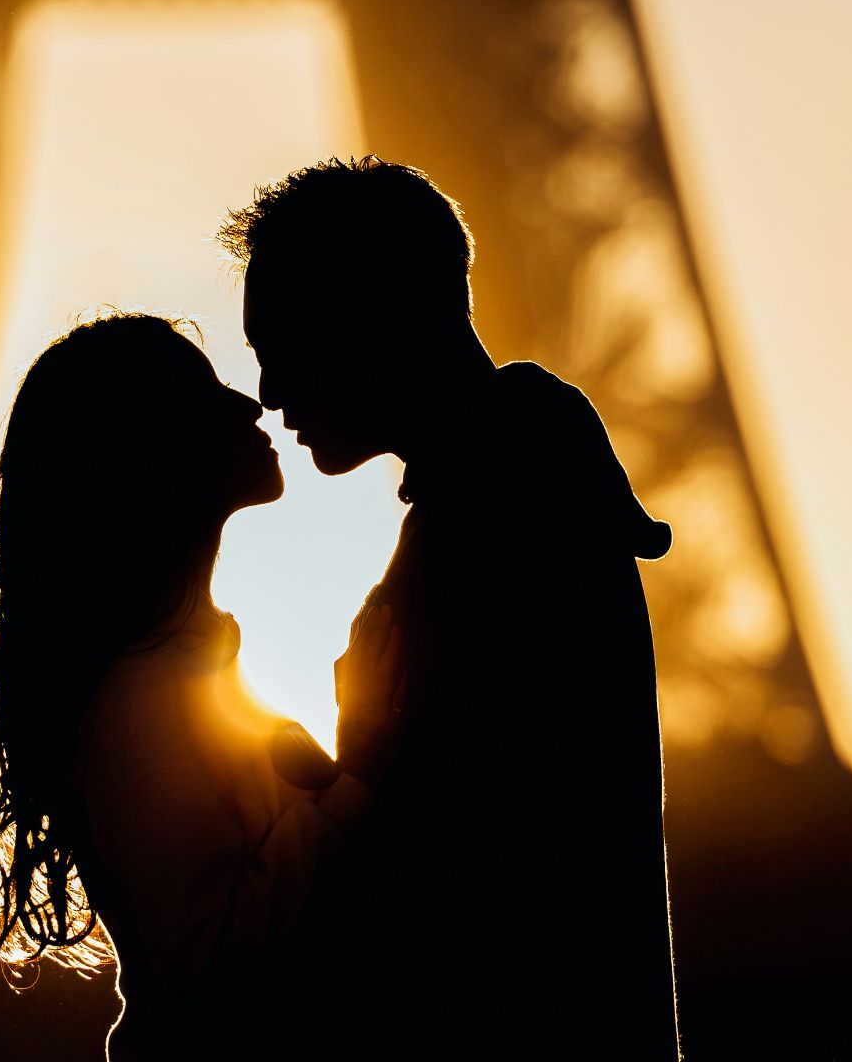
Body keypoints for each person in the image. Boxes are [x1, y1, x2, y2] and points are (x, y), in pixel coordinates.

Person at [219, 157, 681, 1058]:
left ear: (365, 316)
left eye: (281, 342)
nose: (271, 394)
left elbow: (465, 851)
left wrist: (320, 779)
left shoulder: (497, 506)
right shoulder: (517, 480)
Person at [0, 313, 405, 1060]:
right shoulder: (146, 701)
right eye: (208, 393)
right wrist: (359, 773)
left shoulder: (178, 679)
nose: (251, 404)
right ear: (151, 450)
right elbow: (212, 965)